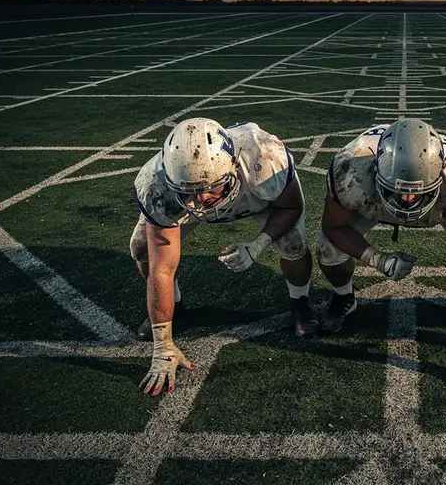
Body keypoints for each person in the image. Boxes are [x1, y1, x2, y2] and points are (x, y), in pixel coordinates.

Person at [130, 117, 317, 396]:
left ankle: (300, 300)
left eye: (210, 187)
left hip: (252, 193)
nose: (202, 199)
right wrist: (162, 346)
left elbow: (291, 207)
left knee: (293, 243)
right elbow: (162, 269)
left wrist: (257, 244)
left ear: (232, 166)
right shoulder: (156, 183)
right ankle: (175, 307)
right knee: (142, 249)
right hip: (203, 190)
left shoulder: (264, 156)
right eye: (190, 191)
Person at [318, 119, 446, 393]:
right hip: (374, 201)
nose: (406, 201)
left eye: (415, 195)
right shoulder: (351, 167)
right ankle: (344, 296)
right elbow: (333, 226)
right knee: (327, 249)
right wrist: (378, 259)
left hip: (437, 201)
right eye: (398, 193)